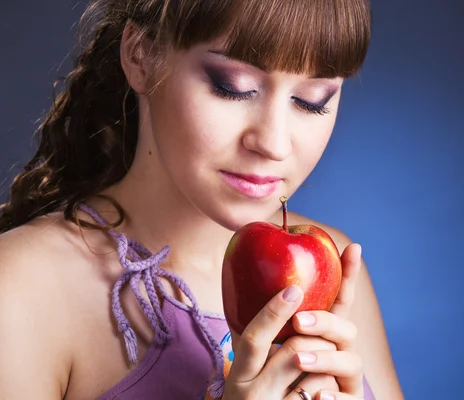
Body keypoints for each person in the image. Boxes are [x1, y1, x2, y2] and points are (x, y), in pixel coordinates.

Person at [0, 0, 404, 399]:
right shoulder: (21, 290)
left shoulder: (334, 267)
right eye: (234, 88)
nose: (274, 143)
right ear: (140, 56)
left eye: (312, 100)